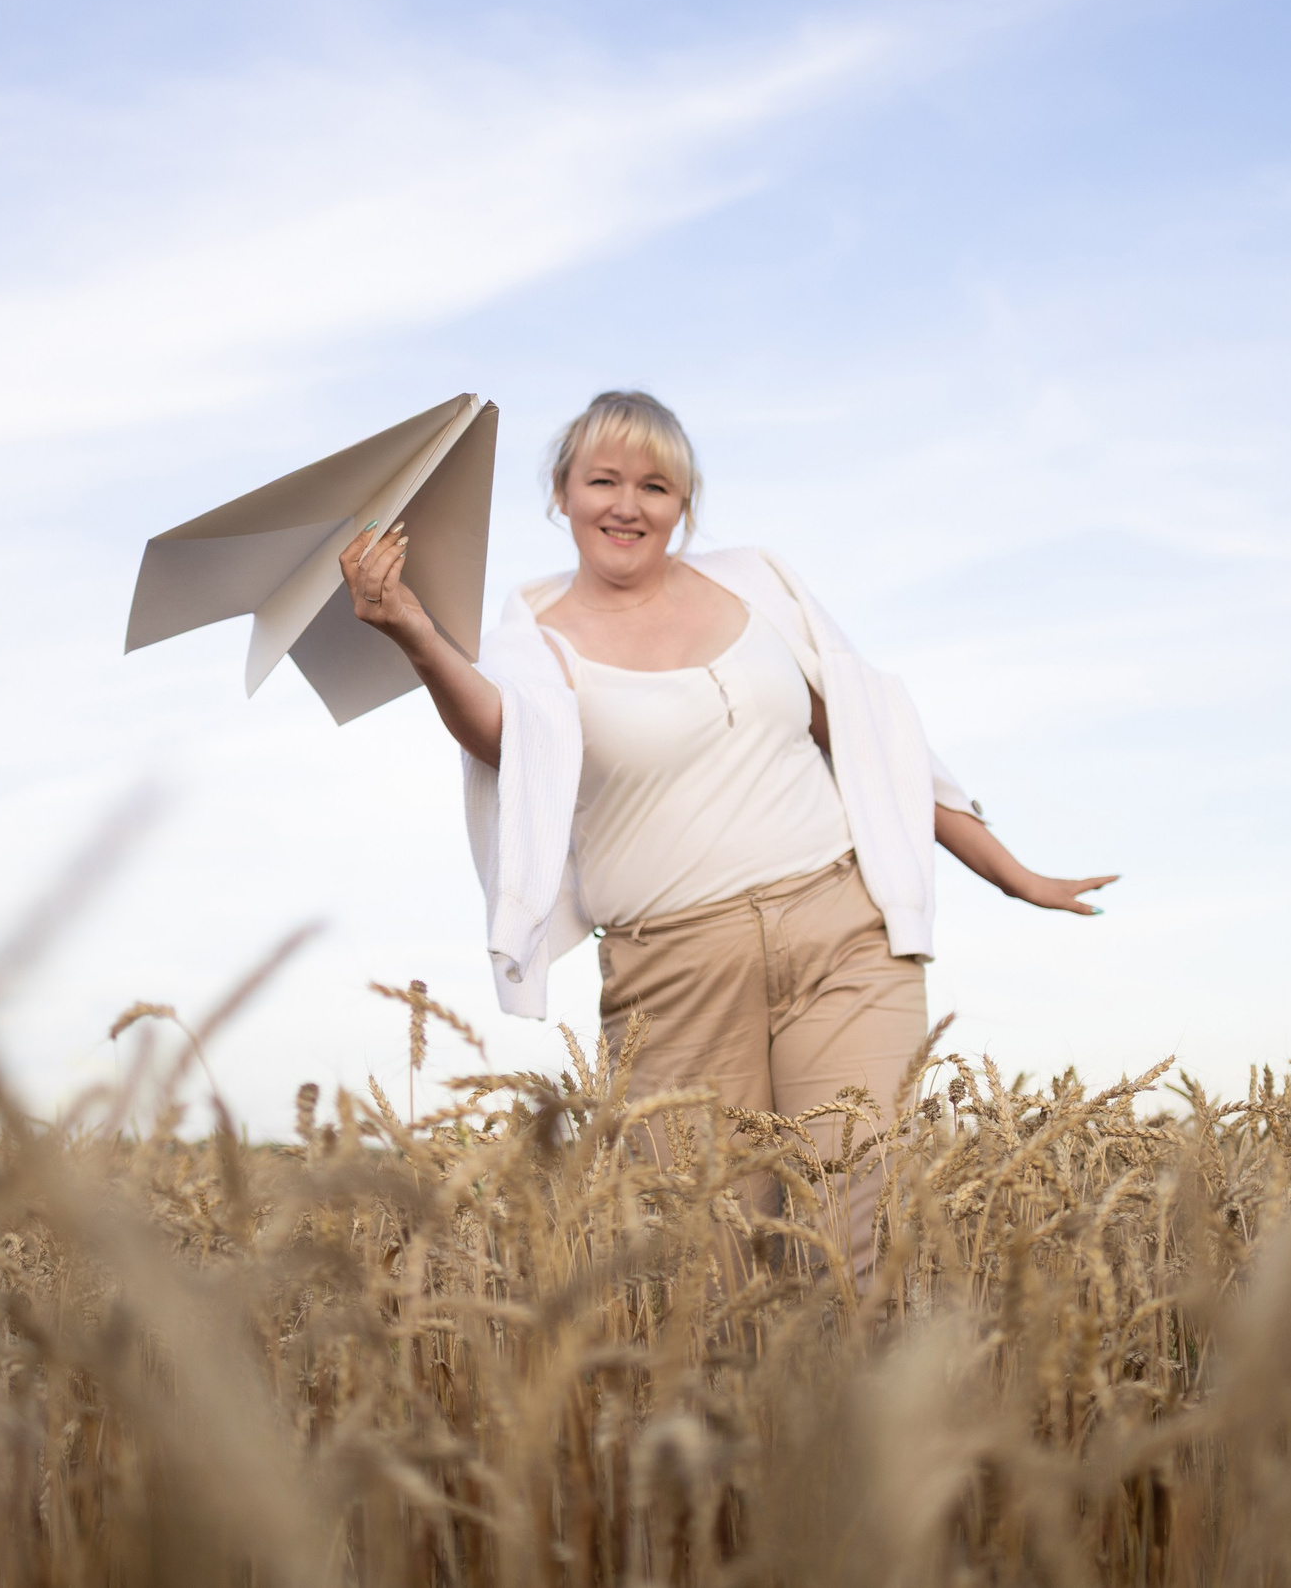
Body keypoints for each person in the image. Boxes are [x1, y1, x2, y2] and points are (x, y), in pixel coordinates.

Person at [336, 391, 1114, 1273]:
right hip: (673, 976)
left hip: (840, 940)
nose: (627, 505)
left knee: (857, 1252)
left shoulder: (759, 582)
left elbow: (869, 744)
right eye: (603, 480)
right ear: (561, 494)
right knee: (711, 1273)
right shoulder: (531, 632)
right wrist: (412, 630)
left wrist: (1012, 873)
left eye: (655, 486)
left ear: (684, 507)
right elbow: (500, 733)